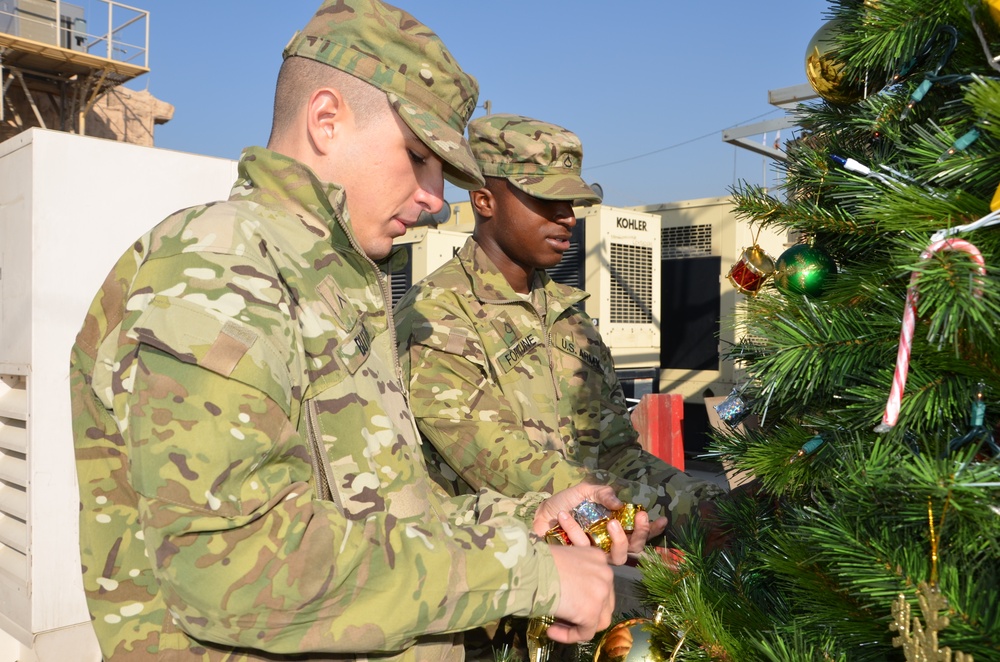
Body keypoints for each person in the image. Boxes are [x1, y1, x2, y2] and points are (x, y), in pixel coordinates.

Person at [69, 7, 647, 661]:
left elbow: (382, 514)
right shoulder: (219, 265)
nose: (435, 197)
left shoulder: (330, 278)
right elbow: (236, 569)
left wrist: (524, 520)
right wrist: (525, 571)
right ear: (326, 120)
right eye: (420, 158)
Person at [395, 113, 727, 541]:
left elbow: (619, 456)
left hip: (586, 565)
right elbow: (512, 468)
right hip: (492, 575)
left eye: (569, 201)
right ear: (483, 200)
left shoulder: (571, 318)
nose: (567, 216)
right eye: (544, 199)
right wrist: (690, 512)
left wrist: (711, 502)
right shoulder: (435, 316)